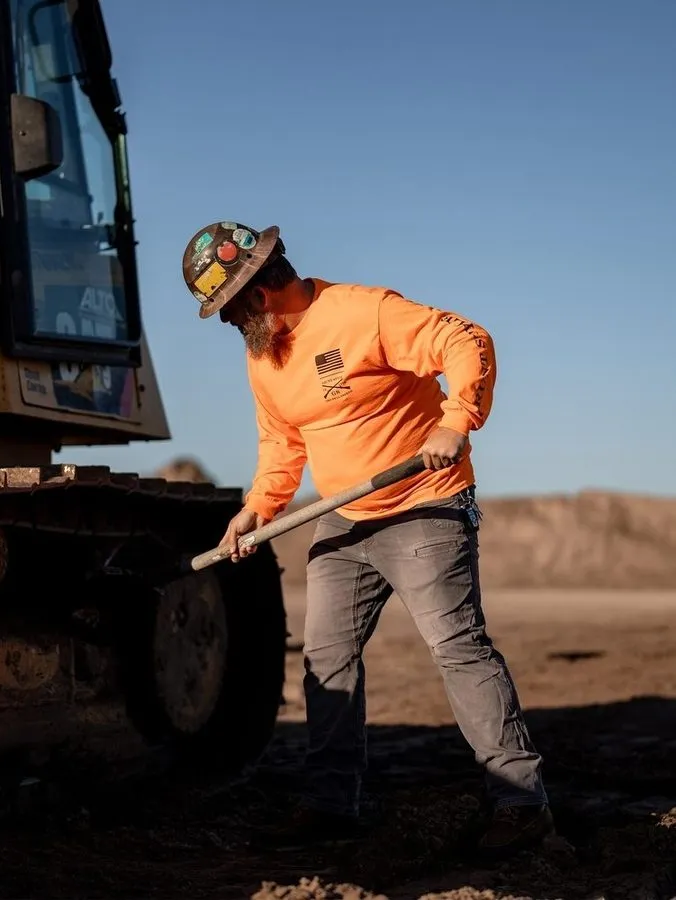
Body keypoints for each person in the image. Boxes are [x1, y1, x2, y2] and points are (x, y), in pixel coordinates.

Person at [181, 221, 554, 856]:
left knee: (457, 649)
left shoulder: (363, 312)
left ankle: (520, 803)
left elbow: (466, 340)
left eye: (227, 311)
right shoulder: (263, 357)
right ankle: (331, 804)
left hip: (422, 507)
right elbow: (282, 445)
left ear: (258, 292)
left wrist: (457, 421)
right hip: (342, 520)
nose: (226, 325)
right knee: (325, 660)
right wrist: (255, 510)